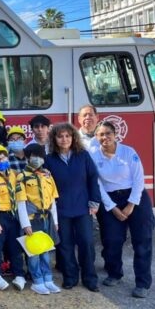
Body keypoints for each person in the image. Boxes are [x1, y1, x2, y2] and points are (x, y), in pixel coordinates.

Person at [90, 121, 155, 299]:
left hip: (135, 197)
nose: (105, 137)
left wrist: (131, 204)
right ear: (96, 137)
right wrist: (111, 207)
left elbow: (138, 180)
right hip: (109, 199)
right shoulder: (93, 155)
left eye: (108, 133)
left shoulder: (128, 152)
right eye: (101, 134)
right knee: (111, 240)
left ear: (115, 134)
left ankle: (142, 283)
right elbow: (97, 184)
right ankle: (114, 273)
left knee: (142, 241)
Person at [45, 123, 100, 292]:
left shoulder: (82, 155)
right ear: (54, 139)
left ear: (73, 137)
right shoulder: (49, 159)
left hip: (83, 207)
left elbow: (93, 177)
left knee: (86, 243)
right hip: (61, 210)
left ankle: (90, 278)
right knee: (65, 245)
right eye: (60, 136)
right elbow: (46, 185)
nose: (64, 139)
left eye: (67, 136)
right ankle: (70, 277)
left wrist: (94, 201)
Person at [17, 144, 61, 295]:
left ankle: (48, 279)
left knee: (46, 250)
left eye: (40, 156)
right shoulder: (21, 177)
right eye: (33, 156)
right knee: (34, 252)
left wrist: (55, 221)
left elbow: (52, 201)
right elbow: (21, 203)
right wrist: (25, 224)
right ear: (28, 158)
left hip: (46, 218)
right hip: (32, 219)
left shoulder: (48, 175)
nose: (37, 159)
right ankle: (37, 280)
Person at [0, 145, 27, 291]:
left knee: (15, 247)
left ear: (8, 158)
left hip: (14, 215)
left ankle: (19, 274)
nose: (1, 161)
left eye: (3, 158)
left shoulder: (16, 175)